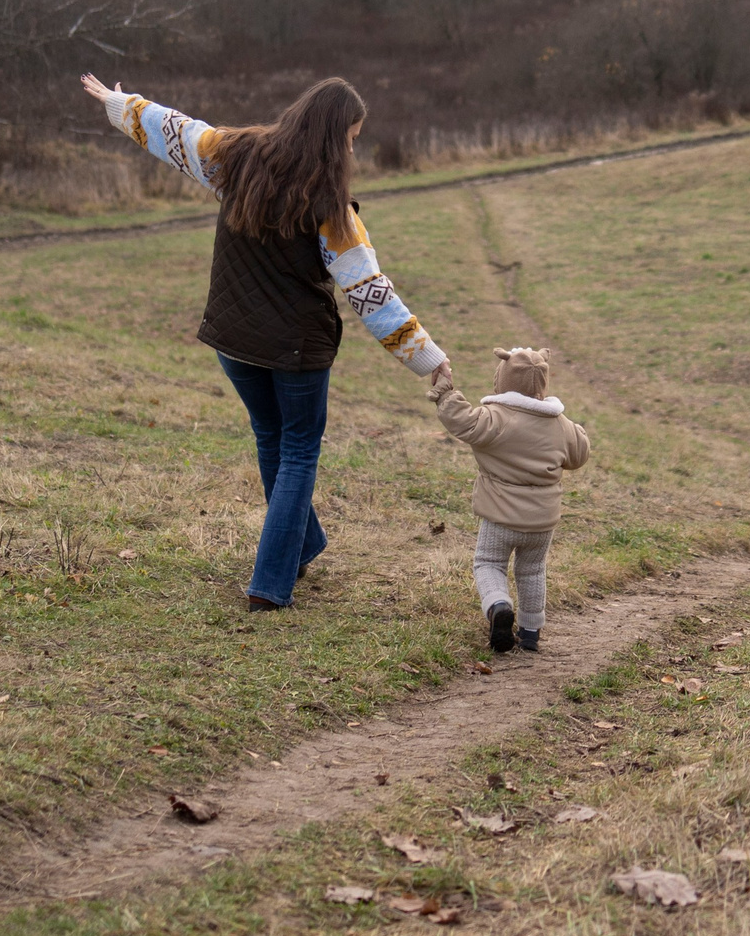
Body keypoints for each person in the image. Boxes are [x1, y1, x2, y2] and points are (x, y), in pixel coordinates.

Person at [80, 74, 448, 610]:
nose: (351, 148)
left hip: (233, 341)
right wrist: (427, 360)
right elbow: (371, 293)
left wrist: (120, 104)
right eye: (349, 137)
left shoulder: (235, 155)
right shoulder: (331, 206)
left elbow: (174, 130)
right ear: (330, 135)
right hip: (296, 349)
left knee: (272, 438)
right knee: (298, 449)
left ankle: (303, 545)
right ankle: (270, 588)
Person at [429, 346, 590, 653]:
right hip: (542, 522)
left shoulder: (496, 418)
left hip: (500, 516)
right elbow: (579, 453)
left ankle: (498, 606)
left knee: (489, 563)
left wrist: (446, 392)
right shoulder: (559, 424)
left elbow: (461, 420)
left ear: (502, 380)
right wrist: (571, 426)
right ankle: (531, 632)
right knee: (532, 570)